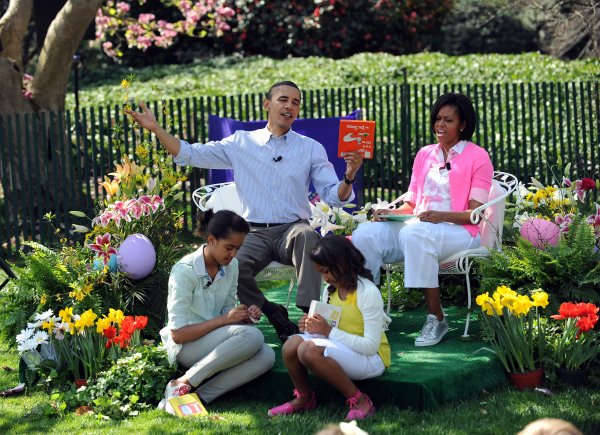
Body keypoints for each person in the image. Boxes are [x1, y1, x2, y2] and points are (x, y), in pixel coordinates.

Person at [127, 81, 363, 343]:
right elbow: (191, 154)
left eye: (295, 102)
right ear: (267, 104)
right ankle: (275, 314)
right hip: (253, 232)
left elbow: (334, 196)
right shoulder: (241, 142)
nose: (289, 106)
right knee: (232, 262)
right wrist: (157, 129)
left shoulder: (310, 148)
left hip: (293, 229)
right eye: (283, 99)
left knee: (307, 235)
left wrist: (349, 177)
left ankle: (309, 316)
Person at [352, 92, 493, 347]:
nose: (440, 125)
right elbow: (413, 204)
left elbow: (476, 215)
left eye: (448, 120)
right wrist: (390, 214)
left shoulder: (477, 156)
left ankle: (436, 316)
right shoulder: (425, 154)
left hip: (461, 232)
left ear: (462, 125)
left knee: (414, 233)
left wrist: (440, 216)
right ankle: (371, 312)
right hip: (420, 226)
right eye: (437, 119)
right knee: (365, 233)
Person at [159, 210, 275, 411]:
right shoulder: (184, 271)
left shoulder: (232, 266)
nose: (233, 255)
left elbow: (228, 311)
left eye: (238, 249)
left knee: (267, 355)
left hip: (215, 340)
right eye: (229, 248)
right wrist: (225, 320)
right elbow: (177, 335)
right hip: (186, 346)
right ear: (211, 240)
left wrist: (243, 316)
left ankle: (199, 397)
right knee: (253, 337)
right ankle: (181, 383)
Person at [268, 235, 390, 421]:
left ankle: (360, 400)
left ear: (342, 263)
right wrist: (309, 327)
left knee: (307, 350)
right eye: (321, 273)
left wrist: (327, 331)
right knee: (292, 344)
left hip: (372, 358)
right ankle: (305, 398)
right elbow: (327, 333)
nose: (325, 278)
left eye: (326, 271)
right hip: (344, 349)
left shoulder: (368, 292)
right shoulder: (330, 290)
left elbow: (370, 346)